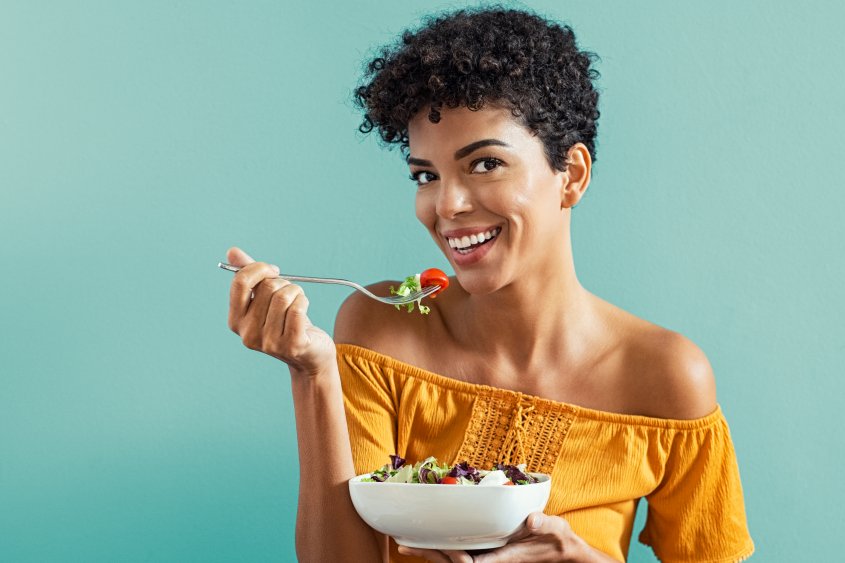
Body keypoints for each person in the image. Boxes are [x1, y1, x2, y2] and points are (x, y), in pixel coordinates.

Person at [225, 7, 754, 562]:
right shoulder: (382, 326)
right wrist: (312, 374)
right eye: (425, 176)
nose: (445, 205)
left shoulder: (667, 375)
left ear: (571, 175)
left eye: (484, 165)